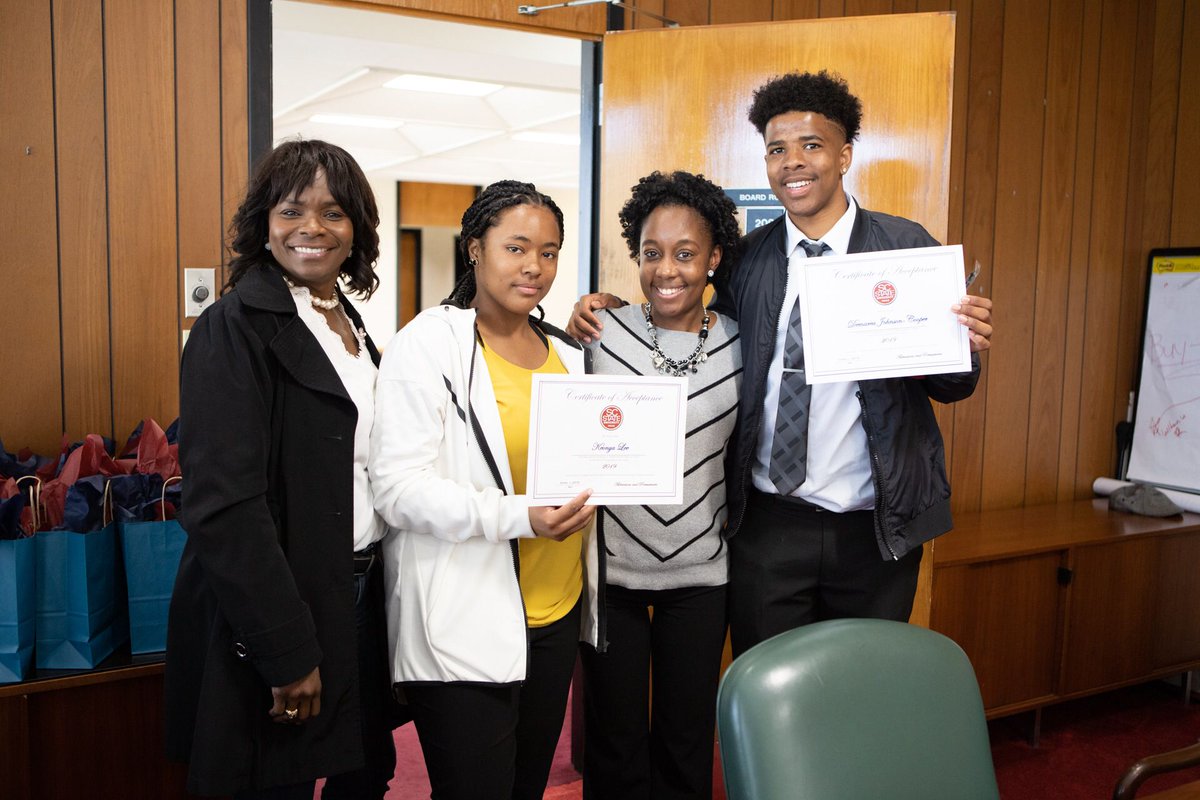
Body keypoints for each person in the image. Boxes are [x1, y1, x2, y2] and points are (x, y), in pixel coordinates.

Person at [568, 71, 994, 658]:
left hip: (874, 526)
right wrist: (612, 312)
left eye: (811, 146)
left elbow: (951, 386)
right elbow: (693, 330)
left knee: (860, 690)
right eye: (777, 150)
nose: (793, 163)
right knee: (768, 693)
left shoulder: (906, 248)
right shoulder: (748, 257)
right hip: (768, 526)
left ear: (844, 155)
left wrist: (963, 345)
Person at [165, 139, 399, 799]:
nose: (312, 229)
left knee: (365, 774)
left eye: (333, 213)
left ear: (356, 228)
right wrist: (285, 651)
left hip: (361, 591)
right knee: (275, 783)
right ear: (264, 224)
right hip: (280, 607)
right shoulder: (231, 328)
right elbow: (223, 508)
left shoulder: (348, 322)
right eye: (292, 210)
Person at [369, 180, 602, 800]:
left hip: (555, 613)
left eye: (549, 252)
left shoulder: (570, 355)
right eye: (517, 247)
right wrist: (521, 516)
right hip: (465, 618)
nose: (535, 267)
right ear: (474, 248)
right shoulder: (429, 345)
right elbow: (396, 490)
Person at [579, 171, 742, 800]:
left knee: (685, 739)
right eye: (651, 253)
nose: (666, 270)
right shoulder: (598, 336)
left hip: (702, 578)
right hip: (613, 577)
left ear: (714, 258)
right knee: (614, 744)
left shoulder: (739, 343)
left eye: (684, 253)